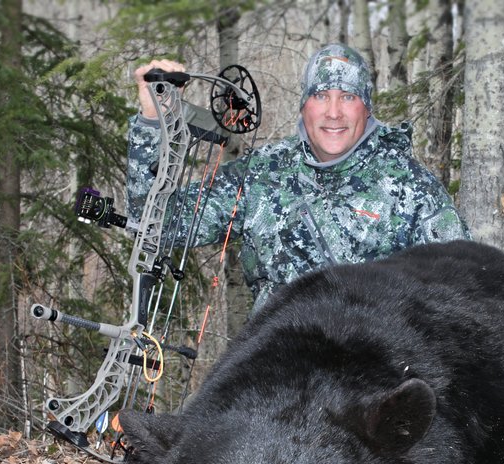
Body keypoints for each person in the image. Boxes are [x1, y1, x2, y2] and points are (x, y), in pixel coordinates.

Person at [126, 44, 471, 312]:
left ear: (366, 109)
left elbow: (462, 289)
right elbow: (155, 225)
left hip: (372, 382)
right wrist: (154, 122)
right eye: (321, 96)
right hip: (274, 376)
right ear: (304, 106)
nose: (333, 112)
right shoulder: (264, 171)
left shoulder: (410, 186)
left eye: (348, 97)